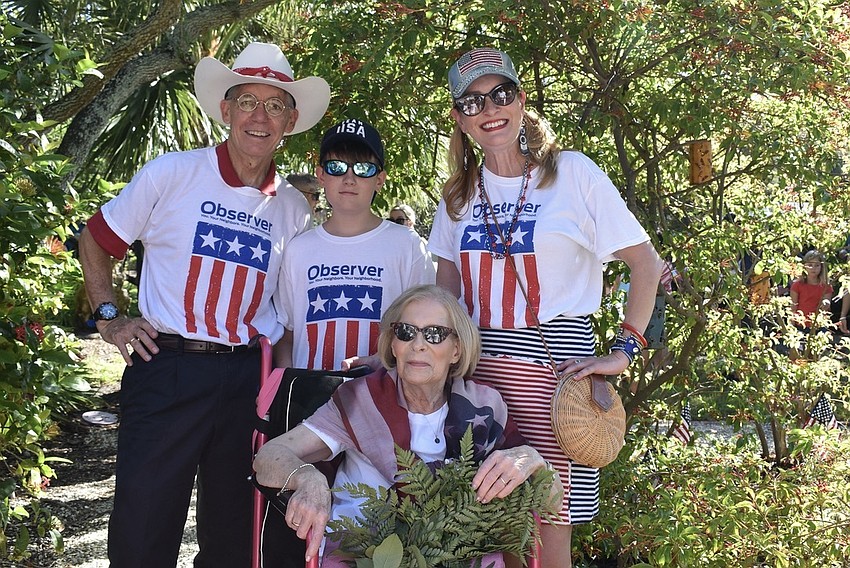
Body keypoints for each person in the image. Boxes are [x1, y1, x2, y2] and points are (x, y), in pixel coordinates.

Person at [77, 42, 330, 567]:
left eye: (275, 105)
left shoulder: (292, 209)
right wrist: (110, 318)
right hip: (166, 365)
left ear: (290, 122)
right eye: (247, 101)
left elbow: (287, 312)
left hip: (246, 379)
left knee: (234, 535)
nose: (259, 117)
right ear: (225, 109)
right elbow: (97, 239)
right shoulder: (173, 173)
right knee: (143, 530)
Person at [427, 47, 664, 568]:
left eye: (501, 94)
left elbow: (646, 264)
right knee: (496, 527)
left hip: (558, 376)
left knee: (551, 529)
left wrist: (624, 349)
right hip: (480, 379)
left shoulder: (572, 174)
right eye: (472, 101)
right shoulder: (456, 197)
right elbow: (445, 301)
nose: (490, 109)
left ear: (521, 100)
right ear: (459, 118)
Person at [254, 284, 561, 567]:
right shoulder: (360, 399)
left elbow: (552, 497)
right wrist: (307, 478)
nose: (418, 345)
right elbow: (268, 457)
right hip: (363, 555)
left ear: (456, 349)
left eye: (435, 334)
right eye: (406, 332)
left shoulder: (485, 405)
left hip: (458, 555)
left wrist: (532, 461)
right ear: (393, 345)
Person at [276, 118, 435, 370]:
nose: (349, 178)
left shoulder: (409, 246)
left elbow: (426, 329)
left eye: (363, 168)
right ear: (321, 175)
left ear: (380, 180)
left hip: (384, 391)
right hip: (310, 393)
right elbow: (287, 334)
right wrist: (287, 384)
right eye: (337, 167)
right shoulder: (297, 250)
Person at [790, 250, 833, 329]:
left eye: (817, 265)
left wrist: (826, 303)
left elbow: (827, 301)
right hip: (801, 325)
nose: (813, 268)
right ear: (804, 266)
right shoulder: (797, 285)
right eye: (810, 265)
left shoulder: (826, 285)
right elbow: (793, 307)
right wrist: (791, 327)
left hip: (820, 325)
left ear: (821, 267)